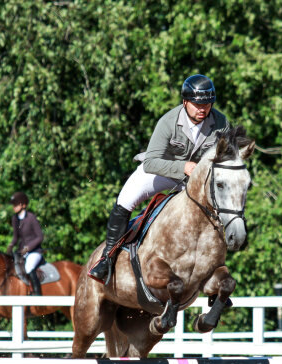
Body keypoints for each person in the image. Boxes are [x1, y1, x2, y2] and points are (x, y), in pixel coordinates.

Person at [88, 74, 231, 283]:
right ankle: (108, 258)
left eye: (207, 104)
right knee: (126, 198)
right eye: (198, 104)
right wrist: (183, 166)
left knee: (221, 208)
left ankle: (213, 269)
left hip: (194, 180)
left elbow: (225, 159)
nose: (203, 109)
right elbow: (151, 162)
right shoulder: (168, 121)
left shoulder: (220, 123)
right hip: (161, 171)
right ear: (185, 102)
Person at [7, 191, 45, 296]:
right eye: (13, 205)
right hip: (21, 252)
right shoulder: (15, 219)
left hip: (34, 251)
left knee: (28, 267)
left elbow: (40, 237)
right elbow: (16, 237)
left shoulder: (31, 218)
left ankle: (37, 295)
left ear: (23, 205)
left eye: (15, 204)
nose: (13, 207)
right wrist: (10, 245)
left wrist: (28, 248)